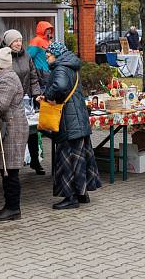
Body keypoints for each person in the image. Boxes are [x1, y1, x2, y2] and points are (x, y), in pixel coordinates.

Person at [40, 42, 101, 209]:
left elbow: (59, 86)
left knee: (67, 160)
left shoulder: (60, 68)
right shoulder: (70, 65)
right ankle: (82, 194)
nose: (47, 58)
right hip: (78, 119)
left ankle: (70, 198)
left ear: (57, 55)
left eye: (49, 55)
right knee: (79, 158)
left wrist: (47, 96)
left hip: (67, 121)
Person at [0, 47, 29, 221]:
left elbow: (0, 105)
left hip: (12, 128)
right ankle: (10, 206)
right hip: (6, 127)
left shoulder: (8, 79)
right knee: (6, 169)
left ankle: (13, 208)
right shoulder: (1, 77)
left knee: (10, 170)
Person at [0, 30, 45, 175]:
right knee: (14, 133)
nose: (19, 43)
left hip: (26, 99)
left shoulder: (27, 56)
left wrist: (36, 94)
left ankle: (35, 161)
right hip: (10, 101)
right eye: (15, 41)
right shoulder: (2, 56)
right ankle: (14, 165)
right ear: (8, 42)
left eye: (20, 40)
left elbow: (33, 77)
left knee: (31, 132)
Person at [27, 20, 54, 85]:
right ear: (42, 30)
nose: (49, 31)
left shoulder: (49, 41)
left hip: (50, 71)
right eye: (47, 29)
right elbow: (29, 56)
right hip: (41, 72)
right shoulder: (36, 40)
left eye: (50, 29)